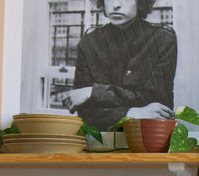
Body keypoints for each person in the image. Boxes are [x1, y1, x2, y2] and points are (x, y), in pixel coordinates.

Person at [60, 0, 176, 131]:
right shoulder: (89, 43)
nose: (115, 5)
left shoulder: (162, 40)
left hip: (148, 139)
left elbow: (157, 105)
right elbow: (84, 111)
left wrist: (92, 92)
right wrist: (132, 113)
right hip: (101, 142)